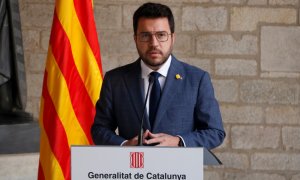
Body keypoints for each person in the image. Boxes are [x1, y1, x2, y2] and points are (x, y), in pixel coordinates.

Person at [91, 2, 225, 149]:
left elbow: (215, 132)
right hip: (131, 169)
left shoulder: (197, 79)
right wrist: (124, 145)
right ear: (135, 38)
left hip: (179, 171)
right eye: (145, 35)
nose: (153, 43)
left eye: (161, 35)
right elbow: (99, 129)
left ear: (172, 38)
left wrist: (179, 141)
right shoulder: (115, 80)